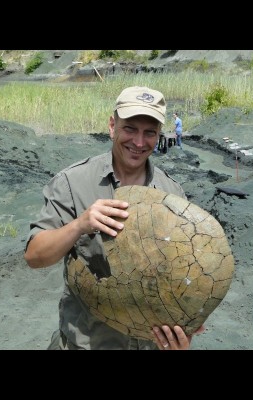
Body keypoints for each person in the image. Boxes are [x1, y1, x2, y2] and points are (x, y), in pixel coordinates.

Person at [24, 86, 204, 350]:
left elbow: (182, 274)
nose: (139, 142)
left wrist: (186, 322)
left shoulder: (172, 194)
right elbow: (34, 256)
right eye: (130, 129)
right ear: (112, 125)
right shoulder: (72, 183)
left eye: (149, 133)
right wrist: (80, 225)